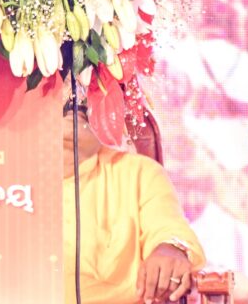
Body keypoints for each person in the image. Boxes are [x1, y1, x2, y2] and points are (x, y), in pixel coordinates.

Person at [63, 97, 206, 304]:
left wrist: (171, 250)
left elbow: (169, 230)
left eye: (75, 107)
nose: (70, 118)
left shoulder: (138, 172)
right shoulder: (12, 180)